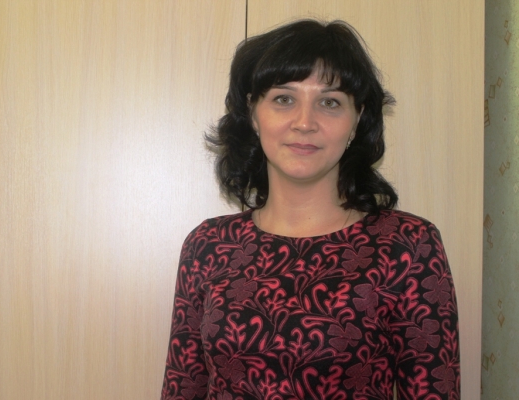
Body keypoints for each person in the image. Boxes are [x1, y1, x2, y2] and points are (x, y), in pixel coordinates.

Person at [161, 19, 460, 399]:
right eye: (284, 99)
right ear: (253, 113)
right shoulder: (208, 244)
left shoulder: (407, 246)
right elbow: (182, 388)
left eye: (330, 102)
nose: (305, 122)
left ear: (356, 121)